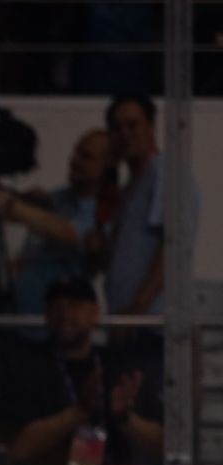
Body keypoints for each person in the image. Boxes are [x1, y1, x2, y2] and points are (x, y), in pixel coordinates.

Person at [0, 274, 162, 465]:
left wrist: (126, 418)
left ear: (94, 312)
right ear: (46, 315)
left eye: (74, 305)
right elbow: (17, 450)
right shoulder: (26, 365)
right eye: (56, 306)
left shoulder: (118, 365)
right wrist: (76, 414)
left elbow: (163, 447)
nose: (64, 314)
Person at [0, 128, 115, 325]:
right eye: (75, 153)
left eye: (86, 157)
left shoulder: (107, 208)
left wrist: (3, 200)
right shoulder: (61, 198)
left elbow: (66, 231)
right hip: (16, 316)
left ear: (107, 164)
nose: (75, 161)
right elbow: (22, 214)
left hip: (57, 322)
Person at [103, 94, 200, 327]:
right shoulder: (128, 188)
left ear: (151, 126)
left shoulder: (164, 172)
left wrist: (137, 310)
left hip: (150, 323)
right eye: (117, 127)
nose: (124, 133)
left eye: (132, 125)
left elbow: (173, 246)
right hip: (125, 320)